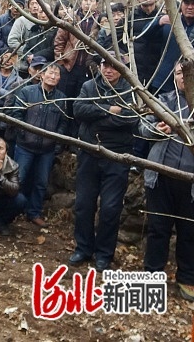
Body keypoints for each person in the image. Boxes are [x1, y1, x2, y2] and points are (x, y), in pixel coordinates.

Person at [70, 53, 138, 271]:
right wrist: (108, 109)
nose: (109, 70)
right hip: (89, 152)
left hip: (116, 156)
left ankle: (104, 254)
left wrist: (97, 113)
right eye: (105, 65)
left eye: (113, 66)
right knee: (83, 204)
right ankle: (83, 248)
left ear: (122, 68)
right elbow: (78, 110)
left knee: (110, 208)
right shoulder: (89, 86)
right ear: (99, 66)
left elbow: (130, 118)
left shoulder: (130, 89)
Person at [139, 62, 194, 301]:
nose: (184, 77)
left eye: (188, 73)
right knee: (158, 229)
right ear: (174, 76)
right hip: (161, 176)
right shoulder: (163, 101)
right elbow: (142, 126)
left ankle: (187, 280)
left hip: (190, 183)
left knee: (189, 233)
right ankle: (152, 277)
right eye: (180, 73)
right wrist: (156, 129)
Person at [9, 63, 69, 227]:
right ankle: (11, 211)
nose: (53, 76)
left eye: (56, 74)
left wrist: (58, 143)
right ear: (41, 75)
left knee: (41, 183)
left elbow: (63, 124)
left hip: (47, 150)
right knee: (18, 179)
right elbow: (16, 114)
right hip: (24, 146)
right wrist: (22, 133)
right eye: (50, 73)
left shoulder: (62, 99)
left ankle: (34, 213)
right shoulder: (27, 92)